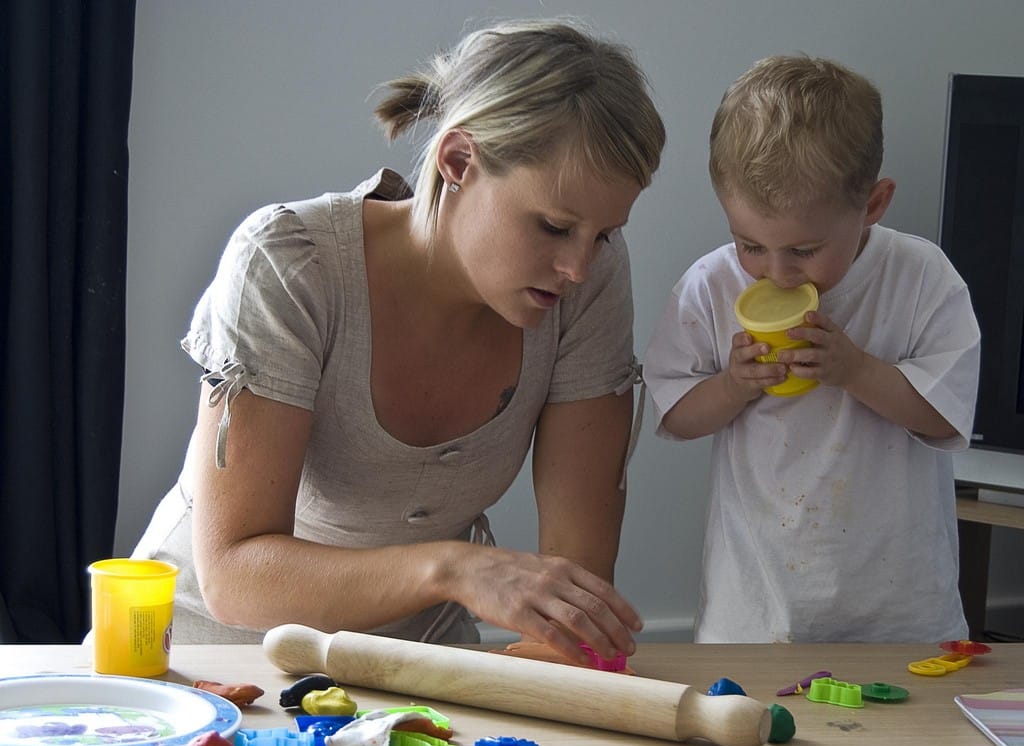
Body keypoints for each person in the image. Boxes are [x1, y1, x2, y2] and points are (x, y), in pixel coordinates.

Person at [129, 18, 666, 664]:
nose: (579, 266)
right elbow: (234, 574)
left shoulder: (589, 282)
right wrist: (455, 569)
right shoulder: (288, 267)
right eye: (553, 227)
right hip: (209, 662)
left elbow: (574, 603)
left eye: (603, 234)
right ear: (458, 161)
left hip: (420, 669)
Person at [643, 55, 980, 643]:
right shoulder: (711, 285)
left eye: (803, 250)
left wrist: (856, 370)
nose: (775, 273)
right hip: (757, 612)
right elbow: (674, 413)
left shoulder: (920, 276)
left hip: (900, 614)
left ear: (872, 205)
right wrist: (732, 385)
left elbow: (945, 416)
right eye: (749, 244)